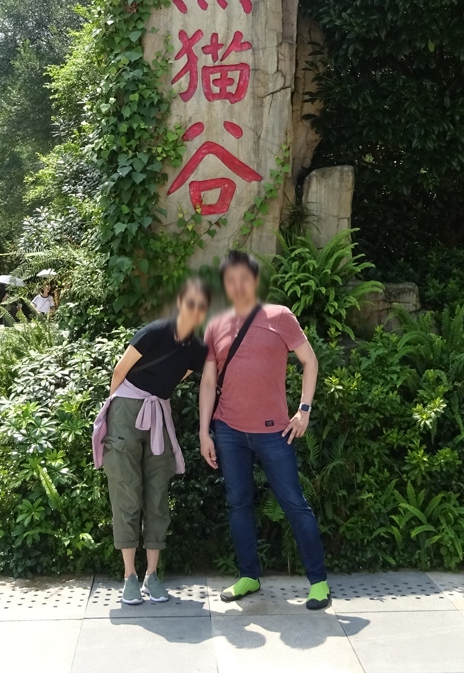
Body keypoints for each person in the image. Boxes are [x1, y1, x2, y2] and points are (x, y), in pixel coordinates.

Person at [199, 250, 330, 610]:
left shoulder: (280, 316)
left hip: (275, 433)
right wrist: (204, 431)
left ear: (255, 281)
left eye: (244, 278)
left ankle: (318, 582)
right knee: (239, 504)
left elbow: (310, 361)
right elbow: (208, 382)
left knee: (294, 504)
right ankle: (248, 575)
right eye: (230, 280)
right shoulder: (215, 324)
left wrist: (303, 410)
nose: (237, 285)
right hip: (228, 431)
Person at [92, 278, 211, 606]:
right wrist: (115, 410)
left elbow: (180, 377)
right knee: (126, 491)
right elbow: (120, 371)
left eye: (201, 307)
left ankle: (152, 575)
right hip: (126, 412)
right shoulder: (155, 331)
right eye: (191, 303)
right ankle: (129, 575)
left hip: (158, 413)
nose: (195, 310)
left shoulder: (197, 348)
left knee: (158, 494)